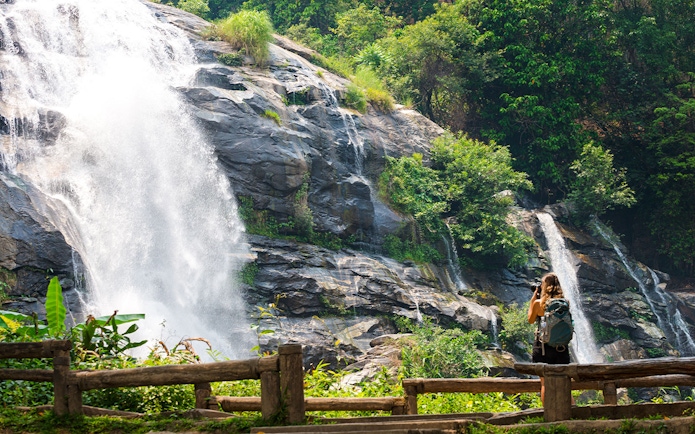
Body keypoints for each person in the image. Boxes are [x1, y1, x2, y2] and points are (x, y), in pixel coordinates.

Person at [527, 272, 571, 404]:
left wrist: (533, 299)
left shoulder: (539, 304)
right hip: (561, 348)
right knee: (564, 382)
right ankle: (572, 412)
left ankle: (548, 415)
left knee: (545, 383)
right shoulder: (565, 303)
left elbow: (530, 320)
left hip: (543, 348)